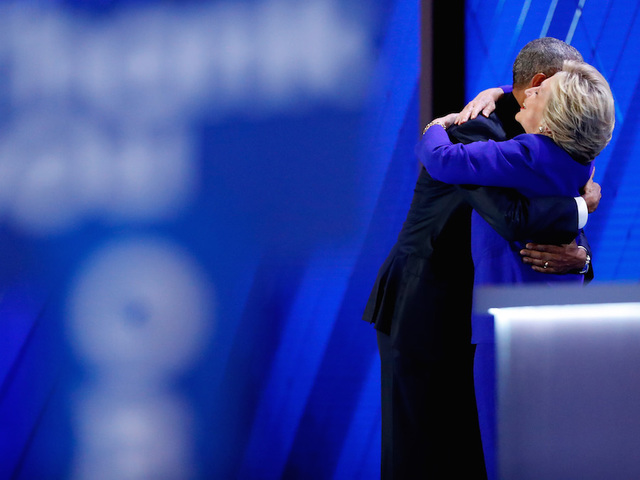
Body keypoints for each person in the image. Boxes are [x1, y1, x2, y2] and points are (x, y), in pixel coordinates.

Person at [363, 38, 598, 479]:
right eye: (570, 85)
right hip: (425, 312)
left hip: (482, 322)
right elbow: (514, 219)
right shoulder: (476, 131)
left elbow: (561, 237)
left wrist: (580, 258)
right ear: (540, 85)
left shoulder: (551, 138)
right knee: (418, 459)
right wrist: (584, 204)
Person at [418, 58, 614, 478]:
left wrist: (436, 127)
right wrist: (497, 93)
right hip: (563, 325)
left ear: (553, 116)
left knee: (506, 458)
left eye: (543, 92)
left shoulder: (524, 152)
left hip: (506, 331)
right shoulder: (583, 165)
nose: (531, 92)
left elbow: (441, 160)